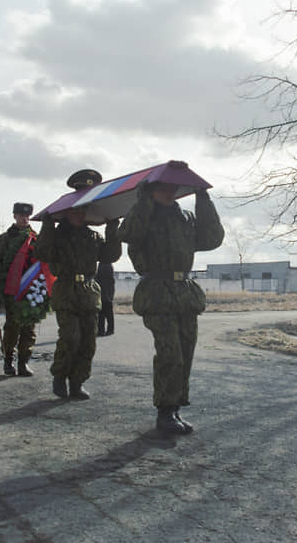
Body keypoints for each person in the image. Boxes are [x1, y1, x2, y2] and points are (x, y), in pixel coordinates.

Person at [118, 164, 224, 435]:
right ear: (151, 190)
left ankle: (174, 408)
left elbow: (212, 238)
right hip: (156, 292)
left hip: (184, 294)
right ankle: (164, 411)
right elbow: (127, 234)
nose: (169, 192)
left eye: (173, 188)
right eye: (163, 187)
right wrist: (142, 200)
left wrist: (203, 199)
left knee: (185, 353)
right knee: (170, 353)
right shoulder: (143, 216)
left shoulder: (185, 218)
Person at [35, 169, 121, 399]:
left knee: (88, 342)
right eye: (76, 210)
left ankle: (77, 382)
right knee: (70, 338)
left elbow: (111, 255)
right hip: (65, 291)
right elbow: (42, 252)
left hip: (88, 292)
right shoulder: (57, 234)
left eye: (84, 210)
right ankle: (60, 377)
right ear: (67, 211)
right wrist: (46, 227)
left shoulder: (92, 236)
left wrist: (113, 228)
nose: (80, 214)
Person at [0, 203, 46, 377]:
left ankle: (23, 362)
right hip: (13, 290)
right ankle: (9, 361)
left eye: (27, 216)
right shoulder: (4, 239)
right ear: (14, 216)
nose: (24, 218)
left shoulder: (36, 238)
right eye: (20, 215)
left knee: (29, 328)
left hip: (31, 290)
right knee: (12, 327)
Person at [96, 262, 115, 336]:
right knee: (105, 312)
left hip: (104, 292)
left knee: (104, 312)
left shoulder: (104, 265)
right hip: (106, 292)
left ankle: (103, 330)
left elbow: (99, 276)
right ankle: (106, 330)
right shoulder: (106, 264)